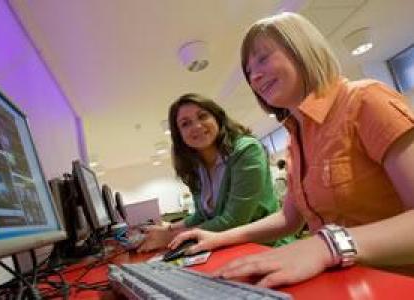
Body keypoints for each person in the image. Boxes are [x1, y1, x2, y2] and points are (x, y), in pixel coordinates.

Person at [170, 12, 414, 288]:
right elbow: (289, 218)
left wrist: (326, 245)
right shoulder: (295, 137)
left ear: (301, 49)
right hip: (346, 283)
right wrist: (218, 237)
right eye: (249, 71)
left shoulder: (366, 100)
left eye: (263, 58)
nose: (255, 76)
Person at [138, 93, 291, 252]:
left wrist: (169, 237)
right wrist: (168, 229)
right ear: (180, 136)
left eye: (202, 116)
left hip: (267, 247)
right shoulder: (196, 168)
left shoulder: (246, 150)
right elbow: (201, 215)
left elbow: (234, 220)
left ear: (217, 118)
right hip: (228, 248)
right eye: (185, 124)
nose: (196, 126)